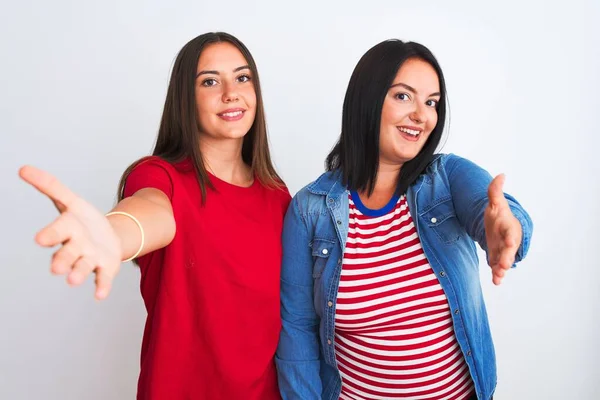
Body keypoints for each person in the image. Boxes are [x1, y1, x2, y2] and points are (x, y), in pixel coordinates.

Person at [19, 32, 290, 400]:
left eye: (242, 77)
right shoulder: (159, 177)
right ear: (185, 99)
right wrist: (112, 237)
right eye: (210, 81)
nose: (231, 92)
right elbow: (149, 213)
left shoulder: (277, 195)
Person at [275, 39, 533, 400]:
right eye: (403, 96)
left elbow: (492, 208)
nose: (422, 115)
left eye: (431, 103)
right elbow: (298, 329)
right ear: (367, 99)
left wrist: (507, 231)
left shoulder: (448, 178)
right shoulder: (310, 210)